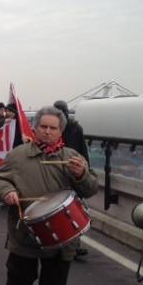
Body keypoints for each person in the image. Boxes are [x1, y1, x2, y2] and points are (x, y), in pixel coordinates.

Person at [0, 105, 97, 285]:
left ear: (61, 131)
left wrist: (82, 176)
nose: (48, 132)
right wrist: (7, 192)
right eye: (43, 127)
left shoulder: (73, 157)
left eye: (53, 128)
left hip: (62, 236)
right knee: (19, 278)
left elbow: (90, 190)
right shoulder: (18, 155)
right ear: (35, 128)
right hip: (25, 232)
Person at [53, 100, 90, 257]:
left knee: (75, 208)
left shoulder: (75, 128)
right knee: (59, 209)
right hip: (57, 170)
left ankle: (74, 244)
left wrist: (85, 168)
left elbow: (82, 149)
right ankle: (62, 241)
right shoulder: (54, 129)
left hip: (73, 169)